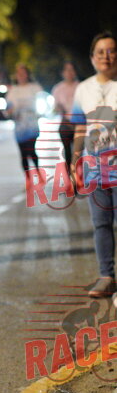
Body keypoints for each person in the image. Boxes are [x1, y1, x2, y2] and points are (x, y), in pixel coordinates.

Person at [70, 31, 117, 298]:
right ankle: (106, 276)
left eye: (111, 51)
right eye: (100, 52)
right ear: (92, 58)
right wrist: (75, 159)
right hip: (95, 167)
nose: (106, 57)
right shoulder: (83, 89)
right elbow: (80, 126)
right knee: (101, 223)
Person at [6, 64, 44, 176]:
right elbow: (8, 110)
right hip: (19, 128)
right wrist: (11, 111)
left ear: (27, 74)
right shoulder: (13, 91)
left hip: (32, 126)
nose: (21, 76)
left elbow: (43, 104)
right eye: (19, 73)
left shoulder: (35, 88)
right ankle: (28, 178)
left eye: (23, 73)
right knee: (23, 154)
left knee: (31, 150)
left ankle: (39, 174)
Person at [52, 61, 79, 169]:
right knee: (68, 153)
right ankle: (70, 174)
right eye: (67, 70)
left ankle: (80, 173)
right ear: (62, 73)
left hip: (80, 124)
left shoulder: (81, 87)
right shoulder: (58, 89)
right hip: (65, 123)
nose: (69, 73)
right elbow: (55, 108)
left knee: (79, 153)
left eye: (71, 70)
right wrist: (59, 108)